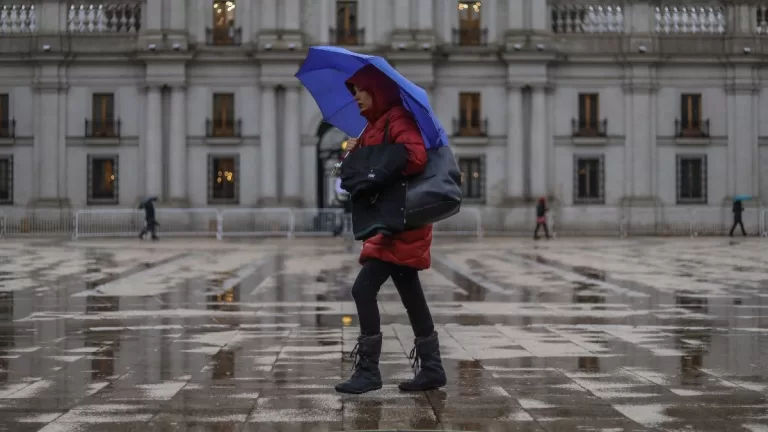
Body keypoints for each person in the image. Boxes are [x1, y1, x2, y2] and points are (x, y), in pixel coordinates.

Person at [334, 64, 446, 395]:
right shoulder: (374, 127)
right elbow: (371, 168)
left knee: (362, 290)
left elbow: (414, 156)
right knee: (410, 292)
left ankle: (369, 371)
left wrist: (375, 161)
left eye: (360, 90)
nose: (355, 97)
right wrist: (358, 155)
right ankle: (433, 368)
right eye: (353, 91)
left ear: (377, 90)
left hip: (399, 222)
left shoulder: (397, 118)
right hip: (390, 221)